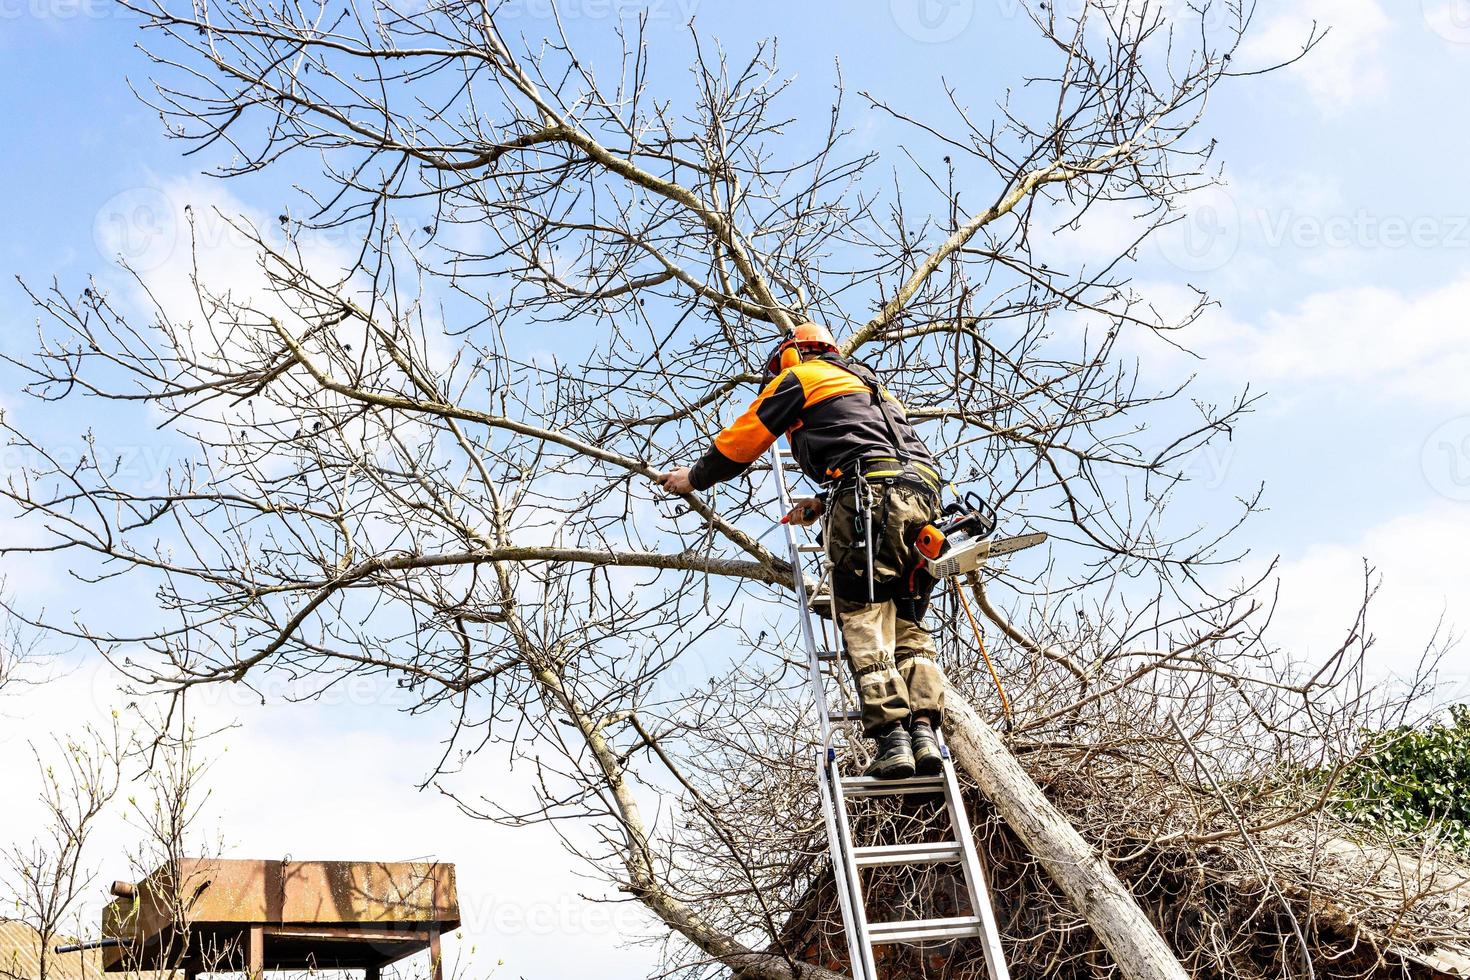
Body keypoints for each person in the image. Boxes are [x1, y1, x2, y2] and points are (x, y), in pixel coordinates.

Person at [655, 323, 950, 780]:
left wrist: (692, 478)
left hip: (870, 497)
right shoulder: (872, 387)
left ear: (792, 355)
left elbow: (742, 441)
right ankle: (927, 731)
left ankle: (894, 738)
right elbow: (876, 455)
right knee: (906, 617)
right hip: (924, 500)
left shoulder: (800, 377)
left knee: (862, 610)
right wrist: (823, 502)